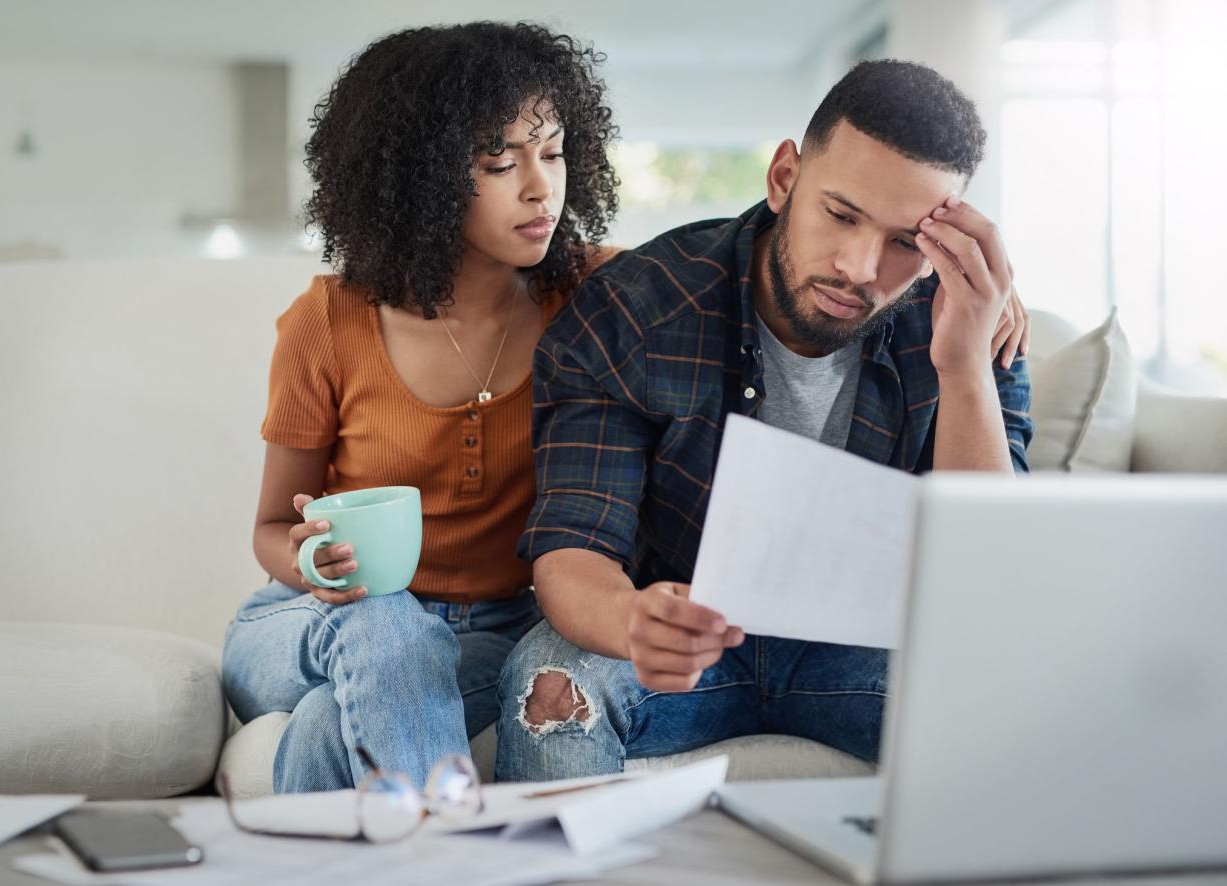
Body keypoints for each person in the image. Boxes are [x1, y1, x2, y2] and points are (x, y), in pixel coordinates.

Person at [494, 59, 1033, 781]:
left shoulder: (971, 323)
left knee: (1019, 703)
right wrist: (634, 621)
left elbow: (994, 580)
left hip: (865, 651)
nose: (859, 267)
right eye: (840, 215)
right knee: (549, 682)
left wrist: (963, 365)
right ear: (784, 178)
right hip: (687, 633)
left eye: (906, 241)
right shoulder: (637, 308)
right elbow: (573, 546)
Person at [221, 21, 619, 792]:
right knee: (383, 618)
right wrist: (313, 563)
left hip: (492, 631)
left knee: (322, 728)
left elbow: (727, 275)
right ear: (420, 178)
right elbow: (270, 531)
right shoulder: (329, 321)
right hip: (305, 621)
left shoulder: (591, 296)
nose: (542, 186)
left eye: (555, 150)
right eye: (501, 162)